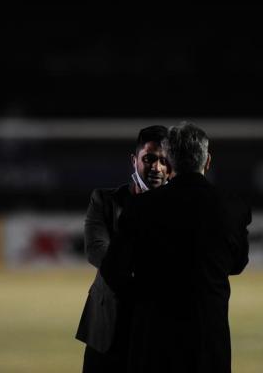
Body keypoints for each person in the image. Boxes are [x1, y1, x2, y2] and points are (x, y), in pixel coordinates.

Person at [100, 121, 251, 373]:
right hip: (208, 338)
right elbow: (237, 264)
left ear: (168, 163)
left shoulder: (140, 208)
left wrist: (145, 296)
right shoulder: (233, 207)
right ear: (208, 161)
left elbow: (113, 270)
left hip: (152, 338)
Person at [75, 125, 171, 373]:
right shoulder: (105, 201)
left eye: (164, 160)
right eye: (149, 158)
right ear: (134, 160)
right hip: (107, 331)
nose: (156, 167)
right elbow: (96, 251)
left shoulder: (179, 209)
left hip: (157, 330)